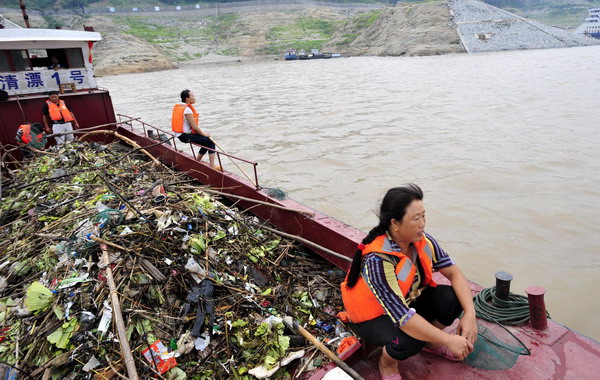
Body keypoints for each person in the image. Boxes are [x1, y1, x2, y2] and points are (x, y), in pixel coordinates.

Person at [340, 184, 477, 380]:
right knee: (408, 339)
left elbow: (454, 273)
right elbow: (402, 318)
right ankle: (387, 364)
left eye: (424, 215)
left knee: (452, 298)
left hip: (405, 302)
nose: (422, 223)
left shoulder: (423, 240)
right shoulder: (377, 260)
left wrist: (470, 314)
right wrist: (448, 339)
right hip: (373, 317)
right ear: (395, 223)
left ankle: (431, 343)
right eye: (416, 218)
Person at [171, 89, 218, 169]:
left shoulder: (180, 106)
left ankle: (197, 161)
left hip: (180, 134)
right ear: (187, 99)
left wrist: (203, 135)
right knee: (210, 142)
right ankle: (212, 166)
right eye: (192, 96)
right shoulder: (187, 109)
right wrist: (204, 134)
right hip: (184, 136)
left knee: (205, 141)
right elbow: (195, 128)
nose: (194, 97)